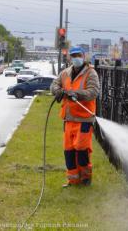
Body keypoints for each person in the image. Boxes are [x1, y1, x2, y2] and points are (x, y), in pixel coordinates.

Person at [50, 47, 100, 187]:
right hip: (69, 119)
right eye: (73, 56)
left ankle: (85, 179)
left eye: (78, 55)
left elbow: (93, 92)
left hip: (84, 118)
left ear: (83, 56)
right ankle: (73, 180)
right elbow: (54, 84)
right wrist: (58, 91)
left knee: (81, 150)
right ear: (70, 58)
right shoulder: (65, 73)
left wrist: (77, 94)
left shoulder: (91, 73)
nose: (76, 58)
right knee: (69, 152)